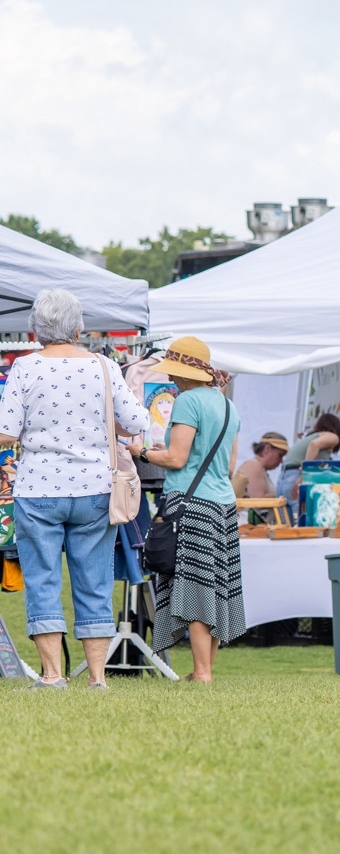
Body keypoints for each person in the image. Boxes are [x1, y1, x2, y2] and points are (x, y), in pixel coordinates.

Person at [0, 289, 153, 688]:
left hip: (38, 489)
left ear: (34, 330)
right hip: (95, 488)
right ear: (80, 328)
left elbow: (5, 432)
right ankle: (98, 677)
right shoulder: (104, 366)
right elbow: (137, 422)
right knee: (94, 580)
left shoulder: (25, 368)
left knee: (43, 579)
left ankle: (53, 675)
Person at [132, 335, 246, 682]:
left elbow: (176, 457)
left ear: (182, 373)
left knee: (195, 587)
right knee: (214, 587)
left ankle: (201, 671)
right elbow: (229, 466)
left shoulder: (187, 402)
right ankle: (205, 668)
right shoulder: (228, 405)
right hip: (222, 504)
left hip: (190, 504)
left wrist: (141, 452)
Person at [277, 412, 340, 510]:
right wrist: (304, 474)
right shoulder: (333, 437)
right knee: (301, 519)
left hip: (284, 478)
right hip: (296, 476)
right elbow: (314, 445)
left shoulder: (309, 437)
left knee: (286, 522)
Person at [232, 432, 289, 507]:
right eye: (280, 455)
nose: (281, 461)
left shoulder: (259, 469)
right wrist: (282, 495)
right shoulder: (252, 466)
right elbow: (259, 501)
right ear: (267, 449)